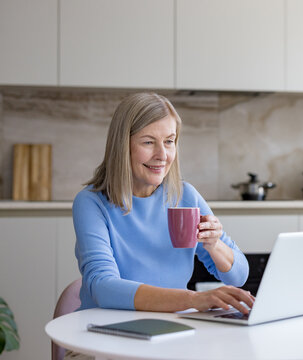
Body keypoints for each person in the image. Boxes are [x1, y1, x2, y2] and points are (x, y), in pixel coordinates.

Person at [72, 92, 254, 315]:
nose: (162, 155)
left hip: (172, 328)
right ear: (122, 146)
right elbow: (102, 286)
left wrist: (214, 244)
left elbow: (239, 276)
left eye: (169, 141)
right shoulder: (91, 203)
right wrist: (194, 299)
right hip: (104, 329)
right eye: (148, 142)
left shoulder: (185, 195)